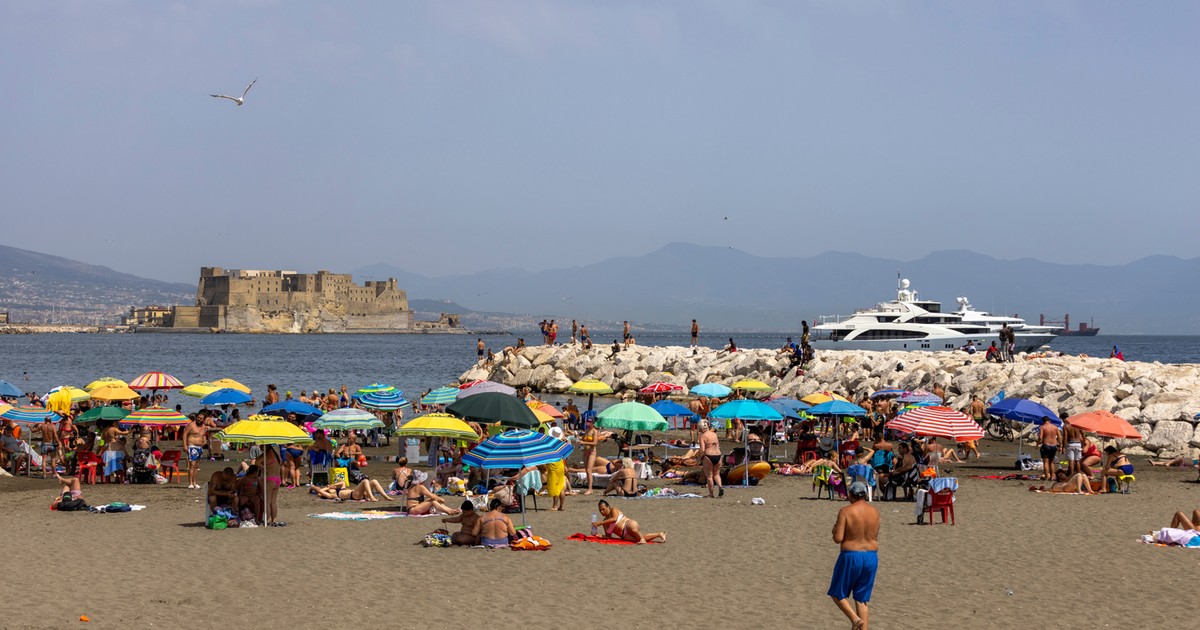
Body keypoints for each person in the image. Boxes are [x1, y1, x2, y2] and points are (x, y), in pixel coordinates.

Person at [828, 482, 880, 630]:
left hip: (851, 554)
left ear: (851, 495)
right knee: (862, 599)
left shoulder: (846, 511)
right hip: (871, 556)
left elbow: (838, 538)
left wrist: (834, 529)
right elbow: (874, 535)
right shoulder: (875, 511)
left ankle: (854, 619)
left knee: (837, 593)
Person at [593, 499, 665, 544]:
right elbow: (608, 536)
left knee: (634, 529)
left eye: (603, 509)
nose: (602, 512)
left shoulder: (613, 510)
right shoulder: (605, 522)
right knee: (637, 539)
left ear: (608, 507)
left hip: (627, 524)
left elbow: (614, 519)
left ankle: (642, 539)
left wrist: (600, 523)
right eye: (600, 510)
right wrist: (600, 535)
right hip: (623, 535)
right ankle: (659, 534)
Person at [257, 445, 284, 526]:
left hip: (269, 479)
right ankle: (274, 520)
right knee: (273, 502)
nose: (260, 447)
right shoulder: (275, 454)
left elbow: (256, 462)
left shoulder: (266, 454)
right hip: (277, 479)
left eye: (261, 445)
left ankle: (267, 520)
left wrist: (263, 468)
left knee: (267, 502)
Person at [698, 420, 723, 498]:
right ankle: (720, 487)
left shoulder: (703, 436)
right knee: (716, 474)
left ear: (701, 428)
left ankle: (711, 494)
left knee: (709, 476)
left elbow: (702, 449)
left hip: (709, 456)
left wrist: (699, 458)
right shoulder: (714, 434)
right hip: (718, 455)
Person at [181, 414, 207, 489]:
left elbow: (203, 435)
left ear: (203, 420)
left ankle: (195, 482)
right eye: (198, 417)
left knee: (197, 466)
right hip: (192, 446)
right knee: (192, 464)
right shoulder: (191, 425)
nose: (199, 419)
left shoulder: (204, 427)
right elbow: (185, 434)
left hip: (199, 447)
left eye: (201, 418)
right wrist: (184, 445)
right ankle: (190, 483)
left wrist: (205, 441)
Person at [313, 478, 394, 501]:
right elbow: (320, 490)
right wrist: (328, 488)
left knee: (374, 481)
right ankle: (371, 497)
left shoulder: (341, 488)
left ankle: (386, 497)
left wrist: (333, 485)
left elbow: (342, 482)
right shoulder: (332, 495)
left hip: (358, 493)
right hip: (354, 495)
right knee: (365, 481)